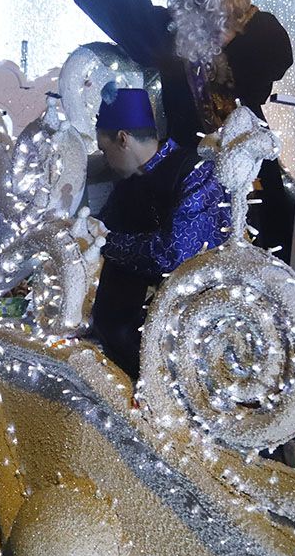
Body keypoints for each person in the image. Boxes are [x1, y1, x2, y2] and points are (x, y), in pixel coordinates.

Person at [58, 0, 294, 256]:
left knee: (267, 228)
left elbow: (279, 58)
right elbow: (133, 14)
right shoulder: (173, 33)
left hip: (247, 150)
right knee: (173, 230)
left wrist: (232, 40)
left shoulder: (255, 26)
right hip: (189, 156)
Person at [89, 86, 229, 377]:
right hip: (130, 334)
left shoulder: (196, 171)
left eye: (105, 150)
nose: (105, 161)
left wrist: (105, 241)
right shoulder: (129, 180)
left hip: (192, 332)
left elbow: (172, 254)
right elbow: (100, 227)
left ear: (123, 139)